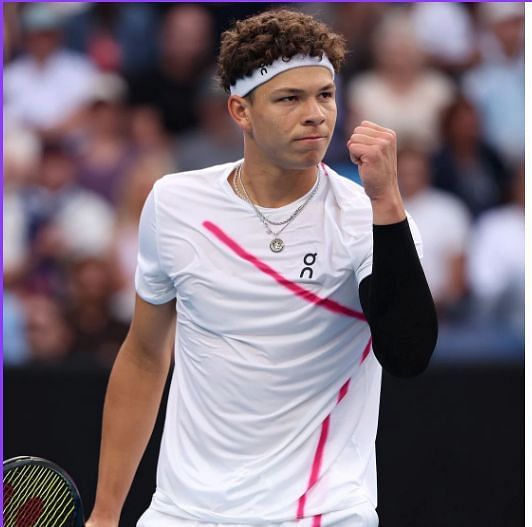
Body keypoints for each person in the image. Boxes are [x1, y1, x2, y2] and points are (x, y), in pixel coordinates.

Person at [86, 9, 436, 527]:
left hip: (322, 512)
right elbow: (143, 354)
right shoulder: (174, 203)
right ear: (240, 111)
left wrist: (386, 200)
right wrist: (105, 514)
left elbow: (408, 354)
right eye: (290, 98)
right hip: (183, 513)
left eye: (325, 94)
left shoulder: (369, 220)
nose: (316, 113)